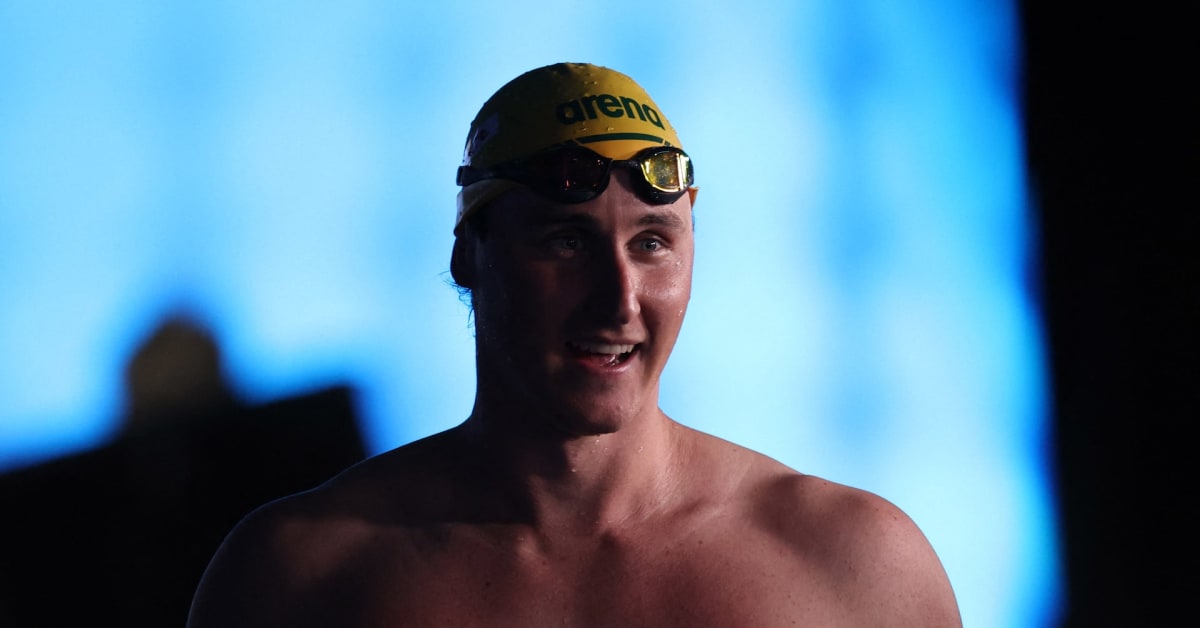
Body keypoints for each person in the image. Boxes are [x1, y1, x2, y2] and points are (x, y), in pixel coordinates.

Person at [187, 62, 961, 627]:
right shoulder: (301, 579)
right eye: (566, 242)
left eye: (653, 244)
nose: (619, 298)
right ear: (470, 255)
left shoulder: (855, 570)